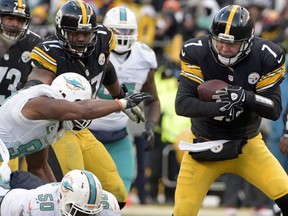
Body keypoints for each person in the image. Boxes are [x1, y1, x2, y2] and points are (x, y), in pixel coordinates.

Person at [26, 0, 144, 208]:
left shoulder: (102, 40)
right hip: (57, 130)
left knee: (116, 194)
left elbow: (105, 69)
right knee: (74, 190)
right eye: (75, 33)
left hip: (83, 129)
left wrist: (119, 94)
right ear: (62, 31)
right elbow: (34, 91)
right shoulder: (50, 52)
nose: (81, 39)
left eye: (86, 33)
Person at [173, 4, 288, 216]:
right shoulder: (196, 51)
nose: (224, 48)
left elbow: (274, 110)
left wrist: (246, 97)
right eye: (219, 41)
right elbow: (182, 104)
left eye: (232, 44)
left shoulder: (266, 55)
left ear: (247, 42)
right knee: (183, 212)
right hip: (204, 143)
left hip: (248, 144)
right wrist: (221, 106)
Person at [0, 72, 152, 183]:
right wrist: (122, 103)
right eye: (78, 102)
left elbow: (38, 167)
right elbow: (85, 109)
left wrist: (58, 196)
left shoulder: (50, 124)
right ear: (62, 97)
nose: (81, 116)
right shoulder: (40, 103)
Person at [88, 6, 160, 193]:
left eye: (127, 30)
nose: (122, 35)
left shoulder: (144, 57)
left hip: (118, 134)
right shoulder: (91, 51)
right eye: (117, 31)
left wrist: (151, 126)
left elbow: (153, 100)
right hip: (86, 134)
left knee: (120, 191)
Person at [0, 169, 121, 216]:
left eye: (90, 214)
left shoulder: (110, 207)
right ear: (63, 200)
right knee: (18, 178)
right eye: (79, 213)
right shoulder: (40, 209)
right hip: (8, 203)